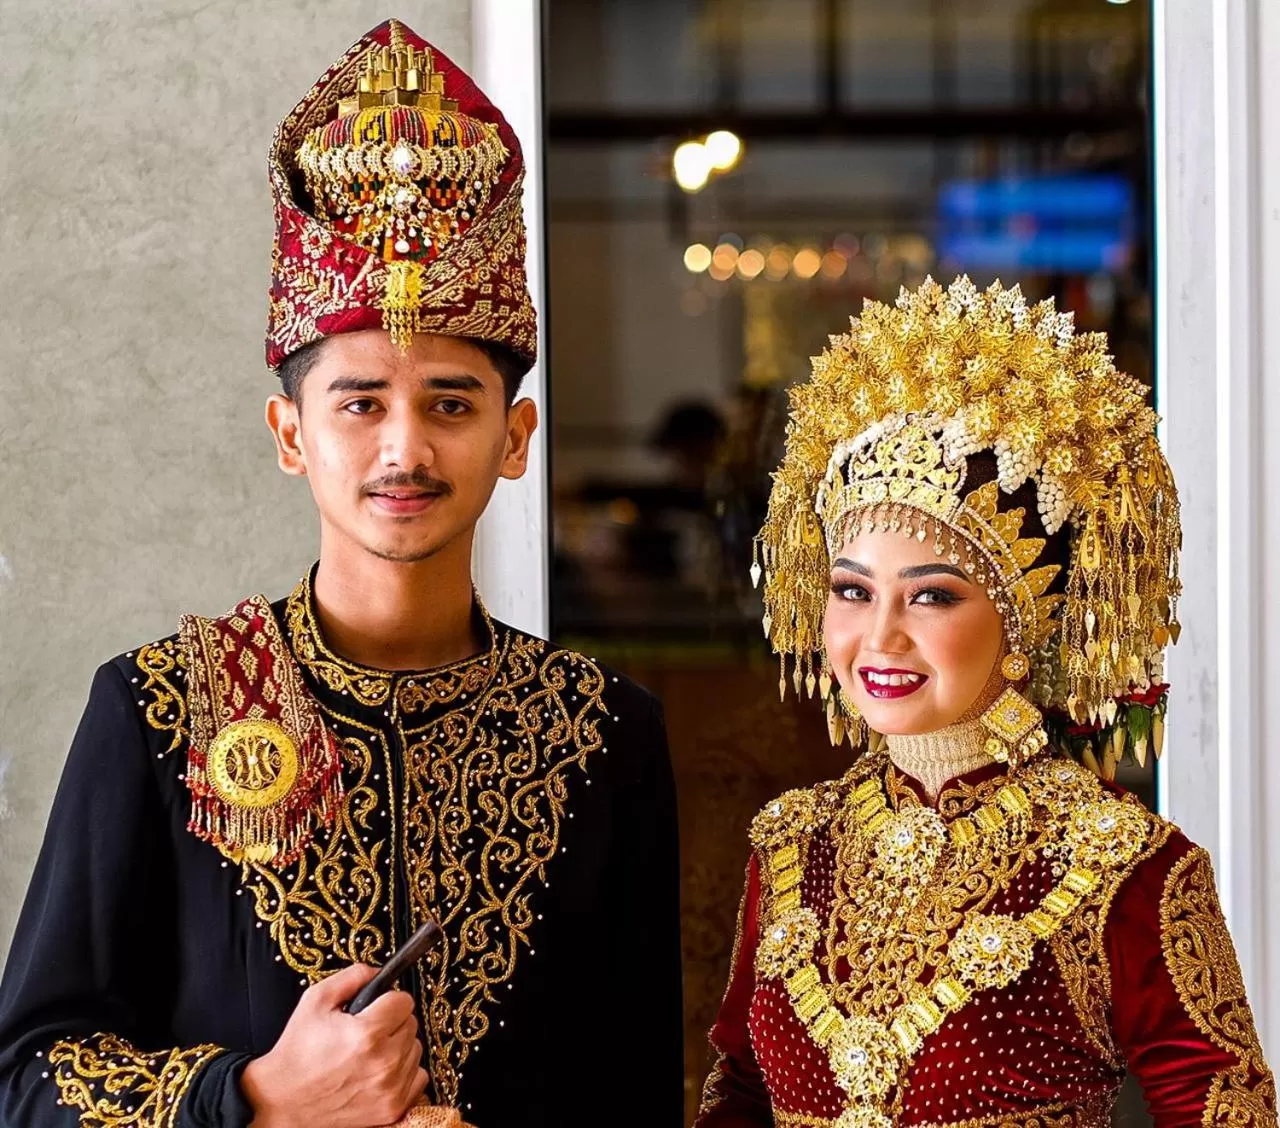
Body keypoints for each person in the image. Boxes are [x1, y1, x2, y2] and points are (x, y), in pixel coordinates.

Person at [0, 20, 683, 1128]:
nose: (403, 449)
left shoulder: (603, 732)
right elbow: (25, 1080)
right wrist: (255, 1097)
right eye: (358, 402)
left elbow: (634, 1092)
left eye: (451, 404)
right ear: (290, 433)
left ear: (515, 439)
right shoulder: (163, 707)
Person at [694, 276, 1275, 1128]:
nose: (881, 636)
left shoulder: (1127, 872)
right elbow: (738, 1095)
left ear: (1020, 626)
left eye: (930, 597)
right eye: (853, 592)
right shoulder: (789, 849)